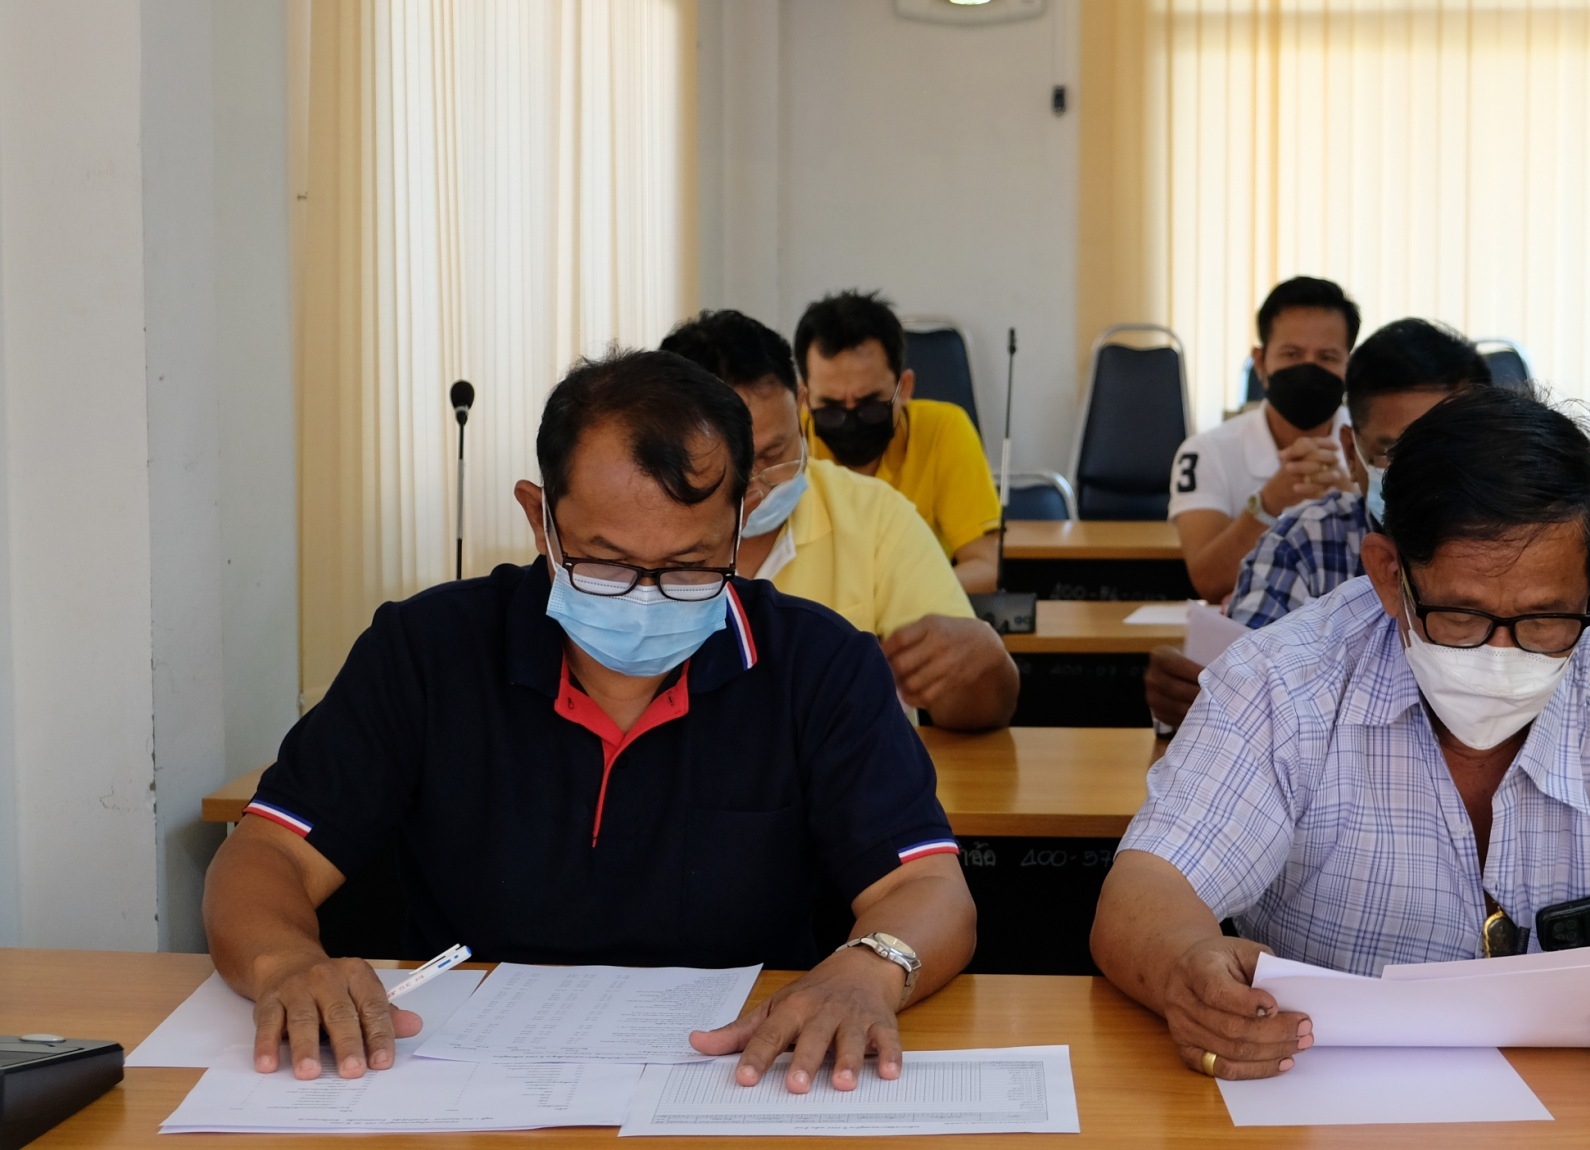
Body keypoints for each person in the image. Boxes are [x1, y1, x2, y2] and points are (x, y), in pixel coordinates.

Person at [204, 350, 976, 1094]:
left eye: (690, 566)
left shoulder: (819, 665)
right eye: (605, 563)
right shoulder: (428, 652)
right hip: (454, 1079)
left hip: (736, 1076)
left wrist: (869, 969)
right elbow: (267, 853)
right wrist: (284, 963)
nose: (646, 596)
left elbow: (929, 887)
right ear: (540, 519)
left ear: (740, 524)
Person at [1095, 388, 1590, 1081]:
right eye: (1461, 615)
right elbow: (1147, 891)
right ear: (1388, 574)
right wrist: (1185, 967)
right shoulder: (1283, 679)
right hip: (1330, 1098)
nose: (1500, 653)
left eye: (1545, 618)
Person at [661, 309, 1018, 730]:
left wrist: (982, 662)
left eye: (774, 454)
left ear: (800, 404)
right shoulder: (637, 539)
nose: (757, 487)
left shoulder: (875, 517)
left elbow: (977, 708)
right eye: (731, 467)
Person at [1145, 318, 1492, 729]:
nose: (1424, 474)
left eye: (1448, 449)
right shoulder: (1301, 545)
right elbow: (1239, 692)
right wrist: (1198, 694)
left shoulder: (1527, 546)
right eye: (1394, 452)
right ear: (1351, 451)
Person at [1167, 277, 1362, 602]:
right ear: (1260, 362)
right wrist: (1268, 503)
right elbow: (1208, 581)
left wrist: (1354, 503)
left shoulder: (1380, 447)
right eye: (1291, 354)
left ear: (1349, 367)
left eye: (1327, 357)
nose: (1308, 370)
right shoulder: (1205, 452)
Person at [794, 291, 1003, 594]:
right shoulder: (785, 444)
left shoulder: (943, 430)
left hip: (918, 612)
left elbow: (986, 566)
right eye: (831, 409)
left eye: (869, 406)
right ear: (804, 398)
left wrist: (898, 600)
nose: (851, 421)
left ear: (904, 388)